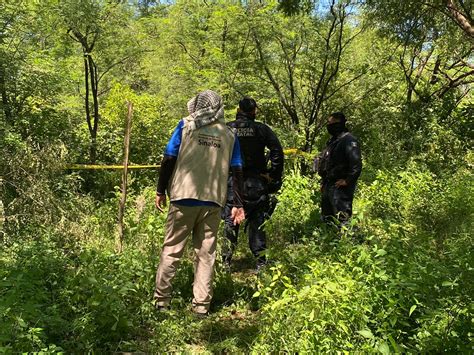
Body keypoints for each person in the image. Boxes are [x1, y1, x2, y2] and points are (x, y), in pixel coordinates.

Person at [153, 90, 245, 317]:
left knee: (171, 251)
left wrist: (160, 190)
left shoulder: (186, 125)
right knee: (206, 255)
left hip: (183, 197)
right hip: (214, 201)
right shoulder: (229, 134)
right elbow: (238, 170)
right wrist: (237, 203)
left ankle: (161, 303)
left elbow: (169, 158)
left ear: (198, 105)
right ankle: (201, 306)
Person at [222, 97, 284, 272]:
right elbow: (277, 151)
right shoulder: (261, 129)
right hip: (256, 182)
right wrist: (273, 175)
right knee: (257, 222)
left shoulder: (227, 128)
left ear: (238, 110)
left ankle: (225, 262)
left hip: (232, 182)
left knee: (231, 220)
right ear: (254, 111)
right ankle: (261, 263)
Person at [316, 112, 362, 226]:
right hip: (328, 184)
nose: (329, 126)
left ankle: (349, 241)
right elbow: (327, 162)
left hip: (340, 186)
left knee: (343, 218)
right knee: (327, 217)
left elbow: (356, 164)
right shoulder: (333, 141)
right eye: (329, 123)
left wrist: (347, 181)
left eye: (332, 123)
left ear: (340, 124)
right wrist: (323, 182)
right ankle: (330, 241)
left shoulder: (349, 140)